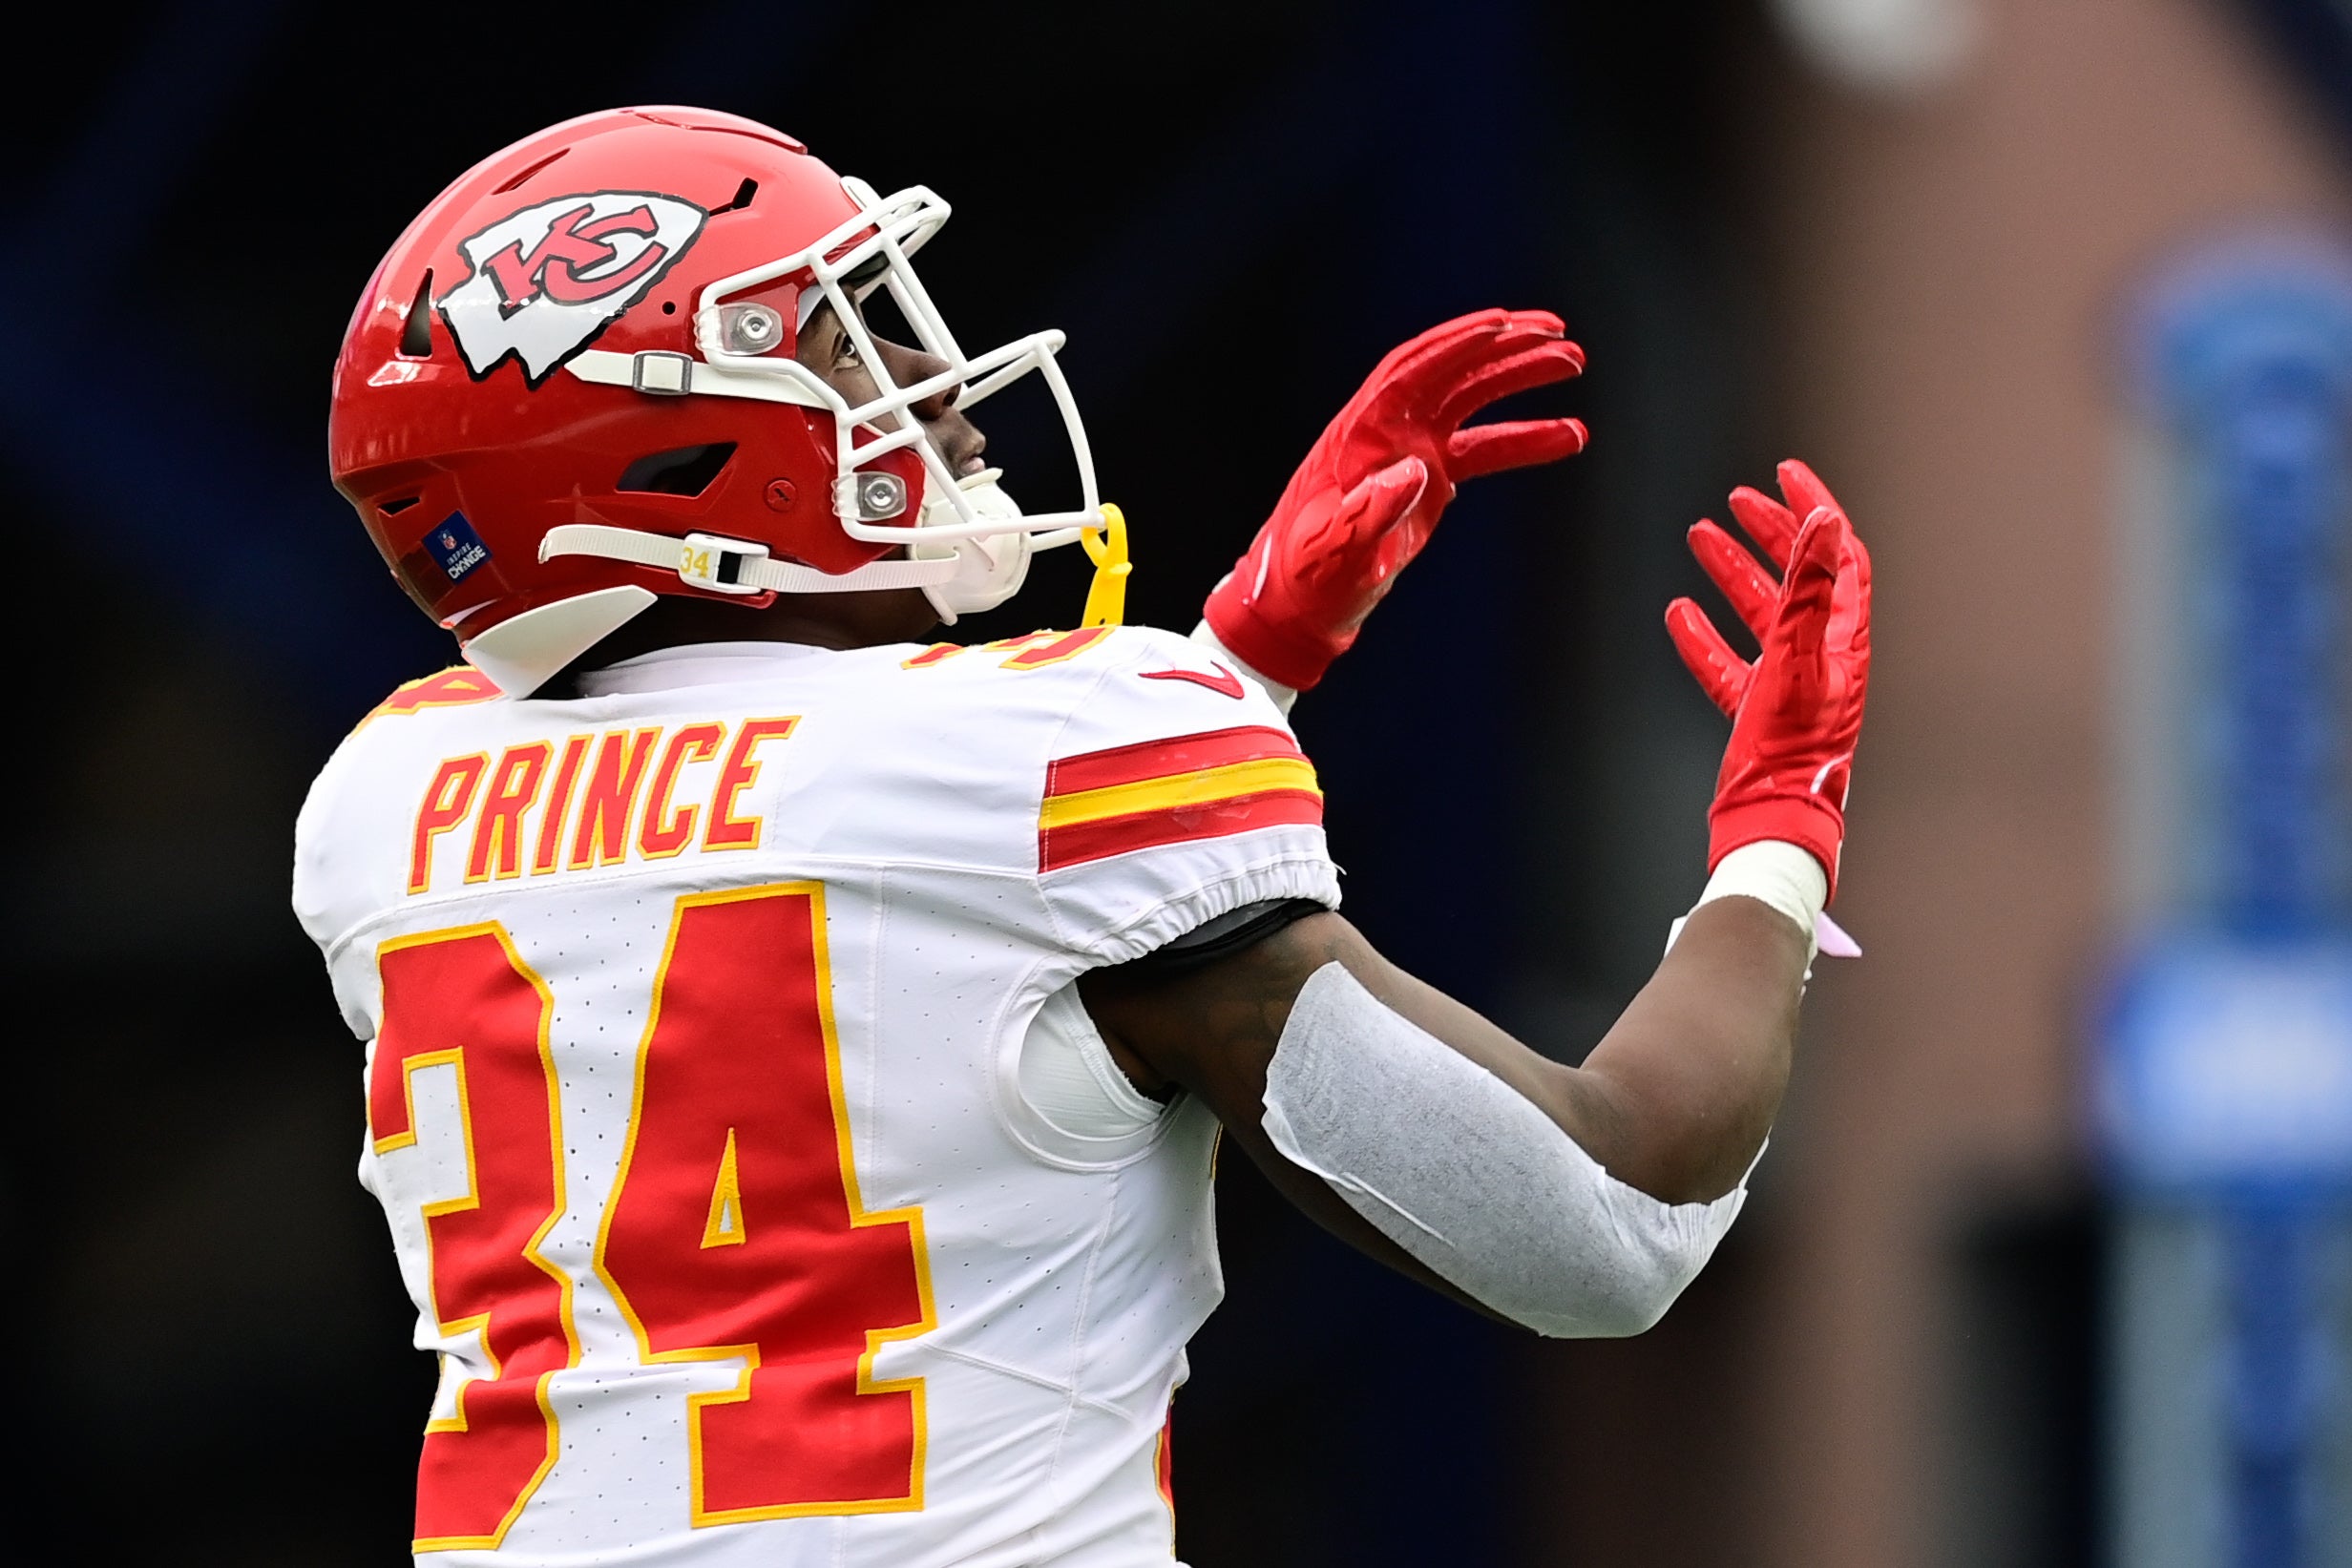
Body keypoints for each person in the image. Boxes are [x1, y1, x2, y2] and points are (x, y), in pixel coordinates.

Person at [297, 106, 1871, 1566]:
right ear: (670, 462)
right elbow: (1609, 1225)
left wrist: (1244, 660)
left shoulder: (386, 803)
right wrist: (1776, 842)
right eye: (844, 352)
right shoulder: (1067, 764)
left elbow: (836, 913)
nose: (943, 404)